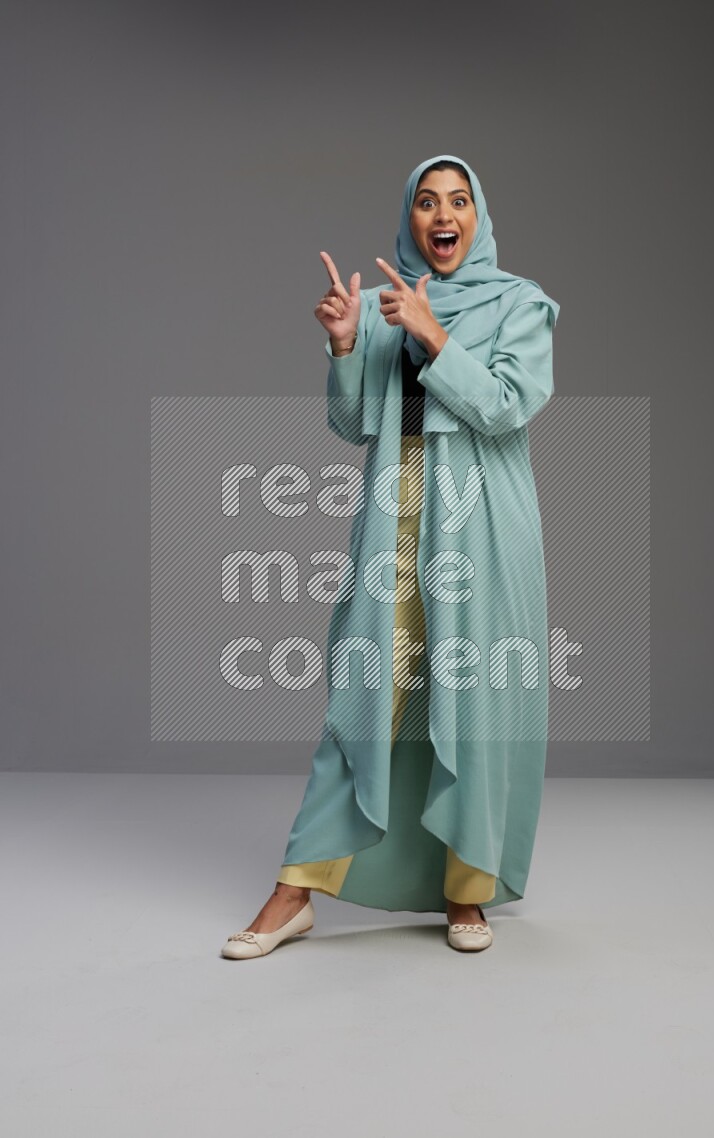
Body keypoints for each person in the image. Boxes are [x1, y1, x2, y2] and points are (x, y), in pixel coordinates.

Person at [222, 154, 560, 959]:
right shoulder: (382, 307)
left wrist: (434, 333)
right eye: (426, 203)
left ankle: (464, 889)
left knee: (471, 699)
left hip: (482, 523)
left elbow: (508, 407)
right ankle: (295, 890)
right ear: (409, 218)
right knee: (366, 696)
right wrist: (345, 345)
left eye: (459, 201)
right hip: (393, 520)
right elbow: (353, 423)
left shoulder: (520, 304)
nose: (442, 216)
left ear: (478, 218)